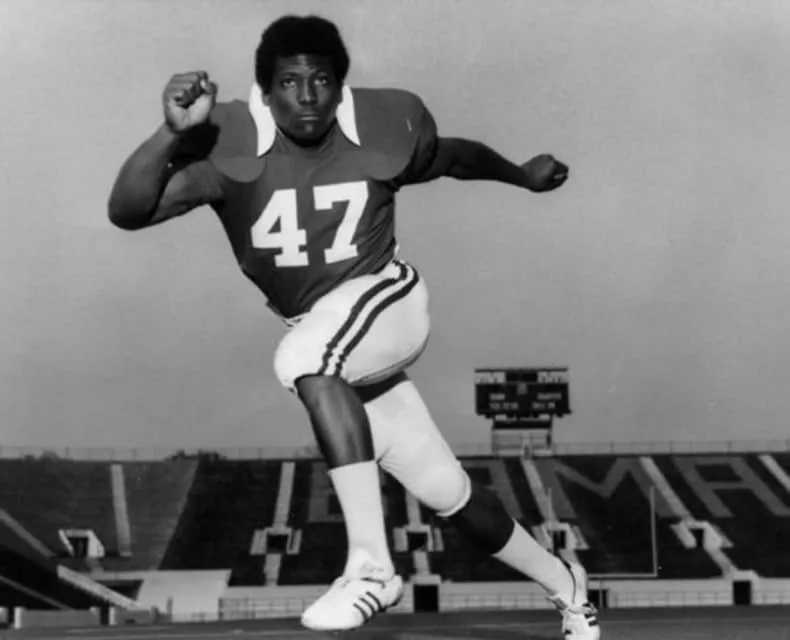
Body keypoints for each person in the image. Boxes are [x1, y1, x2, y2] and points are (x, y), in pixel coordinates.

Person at [108, 14, 599, 640]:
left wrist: (521, 174)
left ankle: (371, 567)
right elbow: (128, 211)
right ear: (265, 93)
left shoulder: (375, 137)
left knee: (303, 359)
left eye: (321, 80)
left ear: (340, 88)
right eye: (290, 82)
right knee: (448, 494)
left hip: (385, 301)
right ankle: (568, 585)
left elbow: (454, 158)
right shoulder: (230, 157)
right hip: (333, 337)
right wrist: (168, 133)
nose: (307, 95)